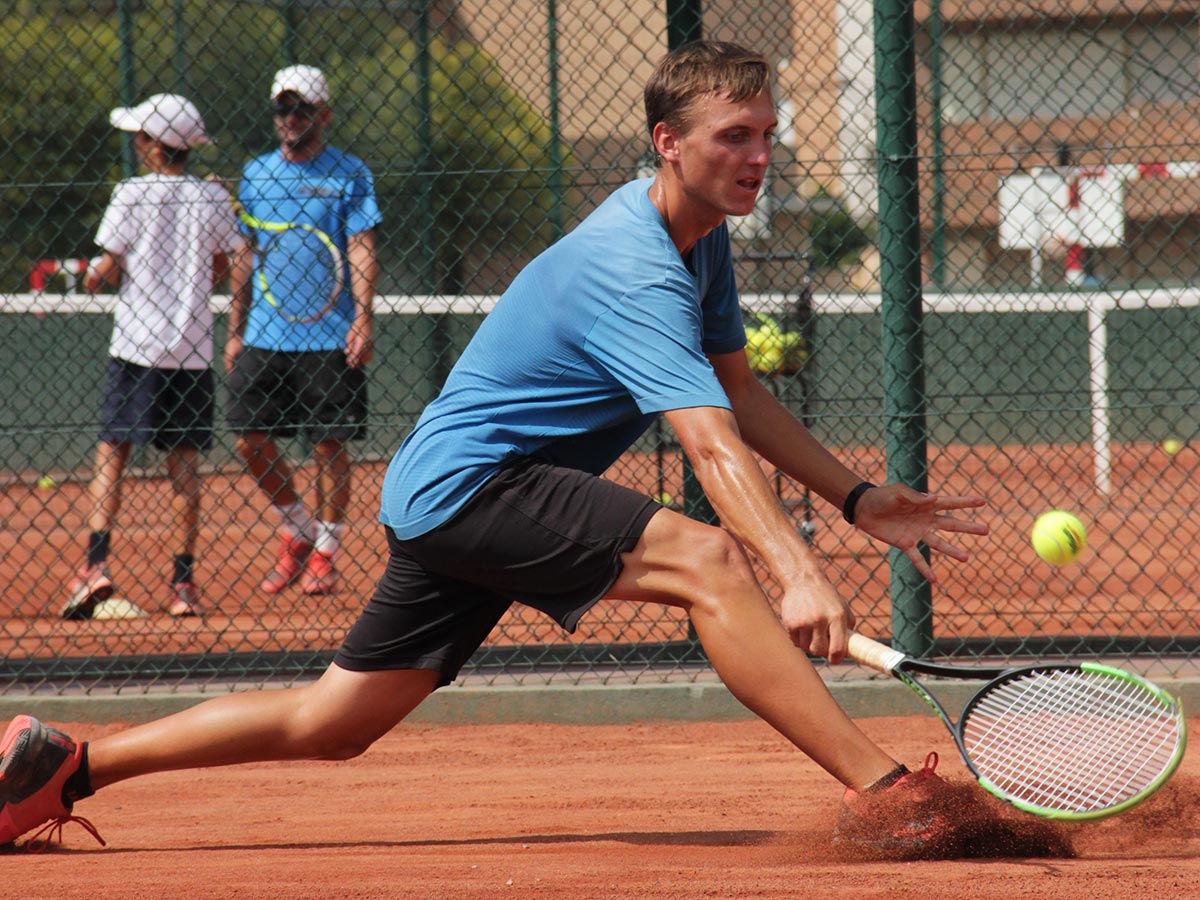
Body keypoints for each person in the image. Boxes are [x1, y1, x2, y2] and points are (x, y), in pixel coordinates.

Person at [1, 42, 988, 856]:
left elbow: (735, 389)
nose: (758, 155)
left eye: (767, 136)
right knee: (709, 558)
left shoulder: (701, 238)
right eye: (734, 137)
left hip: (452, 491)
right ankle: (888, 791)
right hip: (478, 484)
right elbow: (711, 446)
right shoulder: (633, 266)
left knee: (331, 723)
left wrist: (855, 498)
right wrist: (797, 569)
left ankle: (65, 764)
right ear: (669, 145)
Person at [62, 93, 241, 620]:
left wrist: (88, 279)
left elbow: (107, 268)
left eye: (141, 136)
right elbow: (222, 266)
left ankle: (95, 566)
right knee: (184, 466)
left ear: (154, 146)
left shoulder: (131, 194)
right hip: (190, 351)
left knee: (112, 452)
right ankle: (183, 586)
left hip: (135, 347)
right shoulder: (210, 199)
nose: (136, 144)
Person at [225, 65, 380, 596]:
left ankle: (326, 552)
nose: (289, 118)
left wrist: (362, 314)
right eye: (281, 109)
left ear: (323, 115)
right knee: (248, 439)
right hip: (265, 334)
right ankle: (298, 528)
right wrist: (235, 327)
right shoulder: (256, 174)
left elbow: (360, 245)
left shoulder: (350, 172)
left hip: (329, 337)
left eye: (300, 109)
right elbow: (245, 252)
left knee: (328, 445)